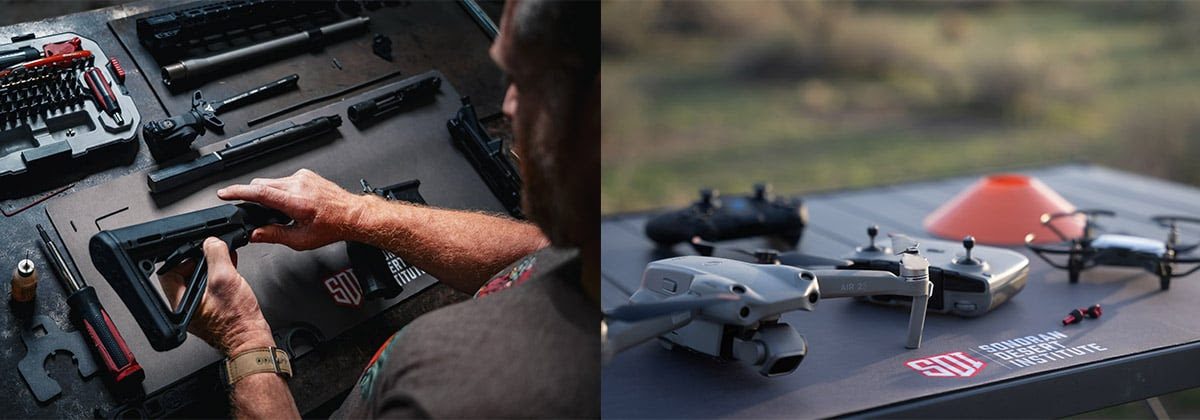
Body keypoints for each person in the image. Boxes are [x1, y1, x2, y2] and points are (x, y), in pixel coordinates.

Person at [159, 0, 599, 417]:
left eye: (530, 83)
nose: (507, 106)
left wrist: (244, 340)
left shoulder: (459, 397)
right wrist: (356, 214)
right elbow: (535, 252)